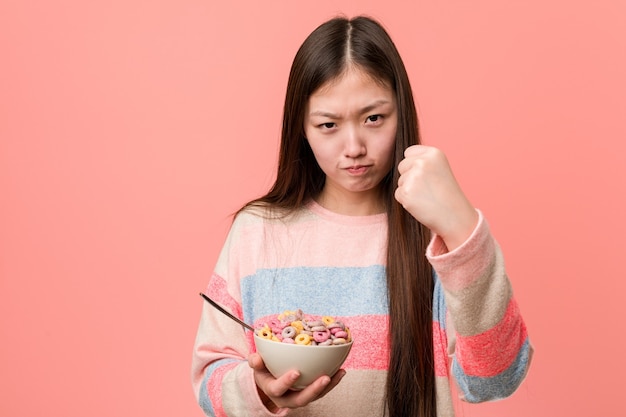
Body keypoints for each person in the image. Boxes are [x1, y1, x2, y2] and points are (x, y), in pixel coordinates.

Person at [191, 15, 532, 417]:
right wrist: (261, 391)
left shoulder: (436, 238)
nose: (354, 147)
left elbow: (496, 379)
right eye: (328, 125)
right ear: (301, 128)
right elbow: (210, 377)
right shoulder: (257, 232)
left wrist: (462, 230)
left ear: (400, 113)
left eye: (374, 118)